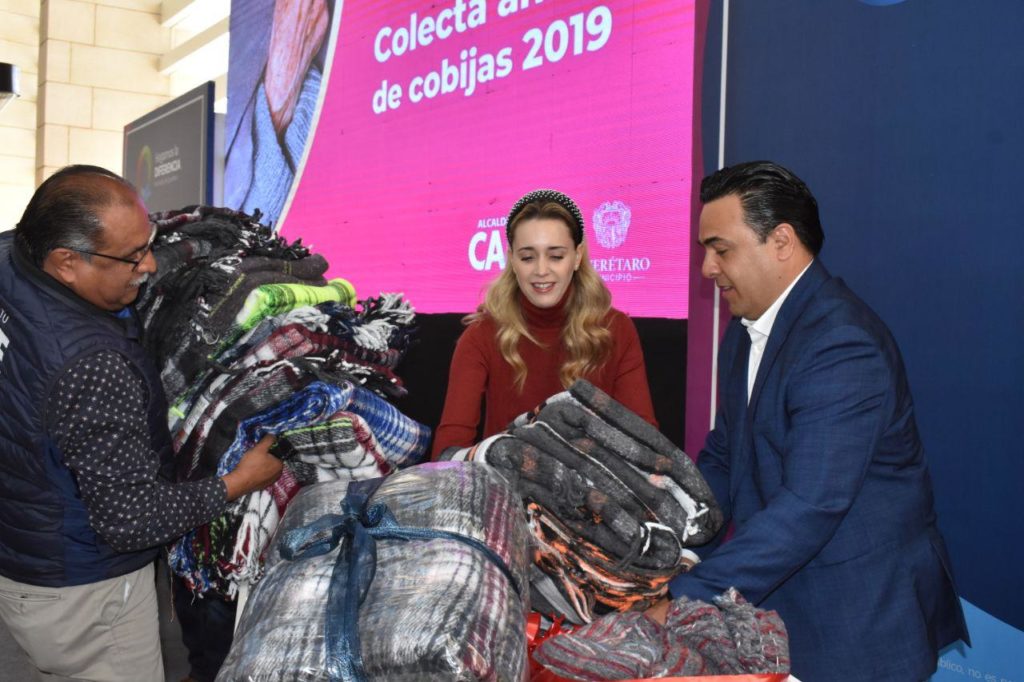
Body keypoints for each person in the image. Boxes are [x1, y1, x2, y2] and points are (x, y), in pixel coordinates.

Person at [658, 161, 968, 681]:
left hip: (855, 626)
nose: (708, 267)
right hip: (780, 611)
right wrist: (675, 550)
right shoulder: (744, 331)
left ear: (781, 241)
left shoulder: (841, 343)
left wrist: (684, 596)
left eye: (721, 249)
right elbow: (726, 456)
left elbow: (810, 505)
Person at [0, 165, 284, 681]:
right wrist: (240, 481)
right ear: (66, 262)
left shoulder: (8, 255)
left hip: (26, 548)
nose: (150, 265)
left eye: (148, 244)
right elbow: (131, 519)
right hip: (83, 595)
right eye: (132, 256)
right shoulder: (90, 363)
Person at [432, 189, 657, 458]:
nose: (541, 270)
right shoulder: (481, 335)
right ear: (512, 260)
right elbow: (448, 451)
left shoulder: (616, 330)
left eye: (556, 256)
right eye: (528, 257)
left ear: (577, 257)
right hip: (504, 483)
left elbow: (644, 444)